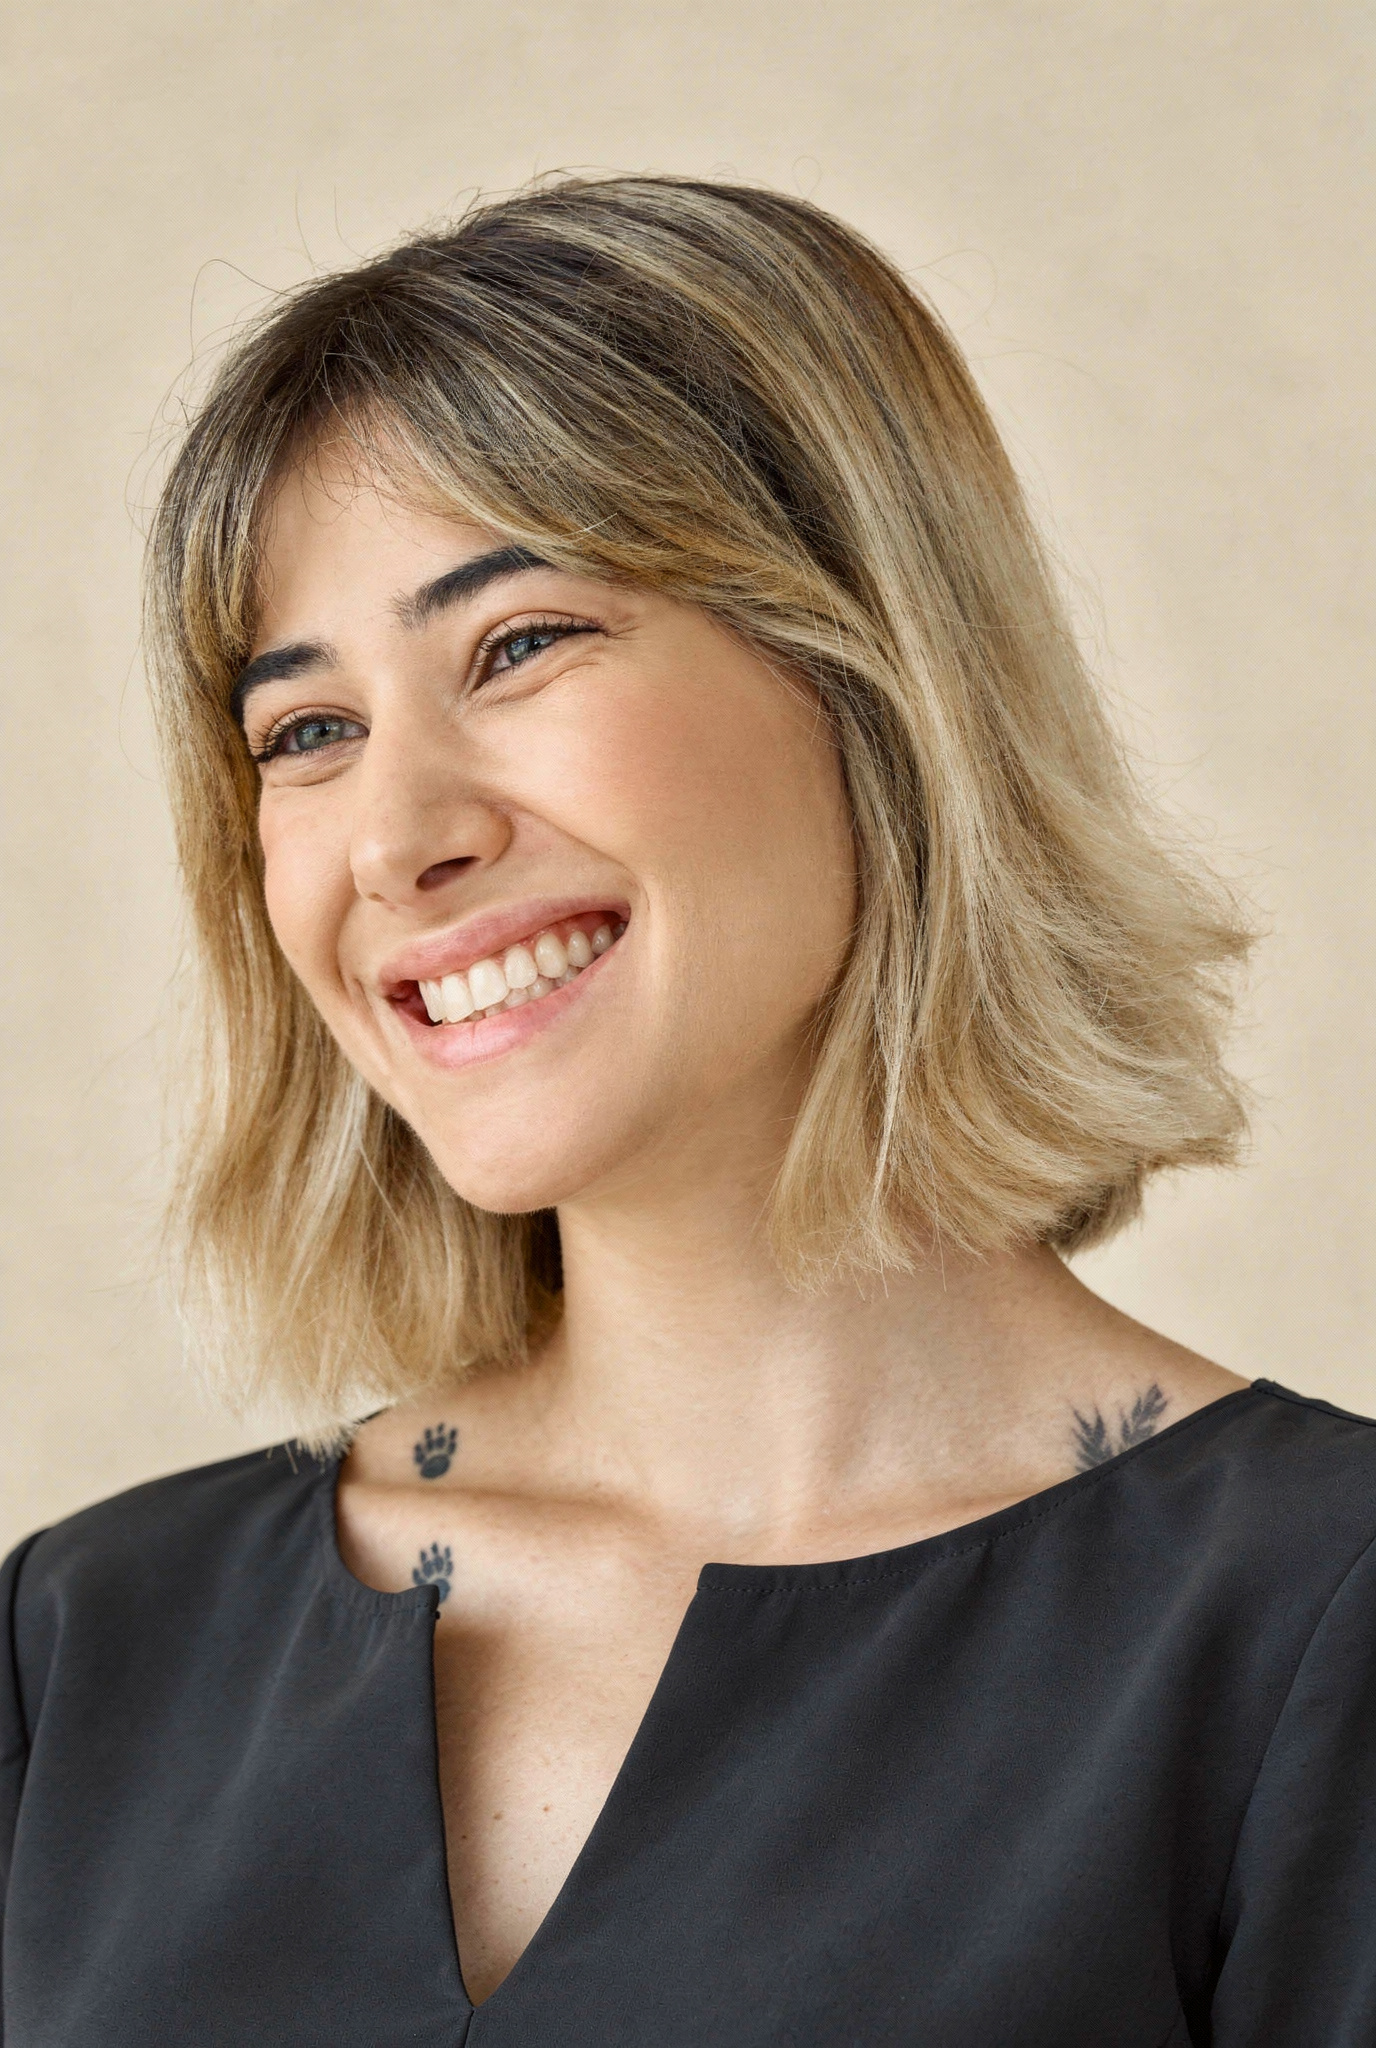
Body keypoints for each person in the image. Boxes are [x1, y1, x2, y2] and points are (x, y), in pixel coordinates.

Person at [2, 176, 1373, 2047]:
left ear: (873, 672)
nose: (397, 841)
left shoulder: (1316, 1625)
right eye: (306, 732)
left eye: (516, 644)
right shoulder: (83, 1645)